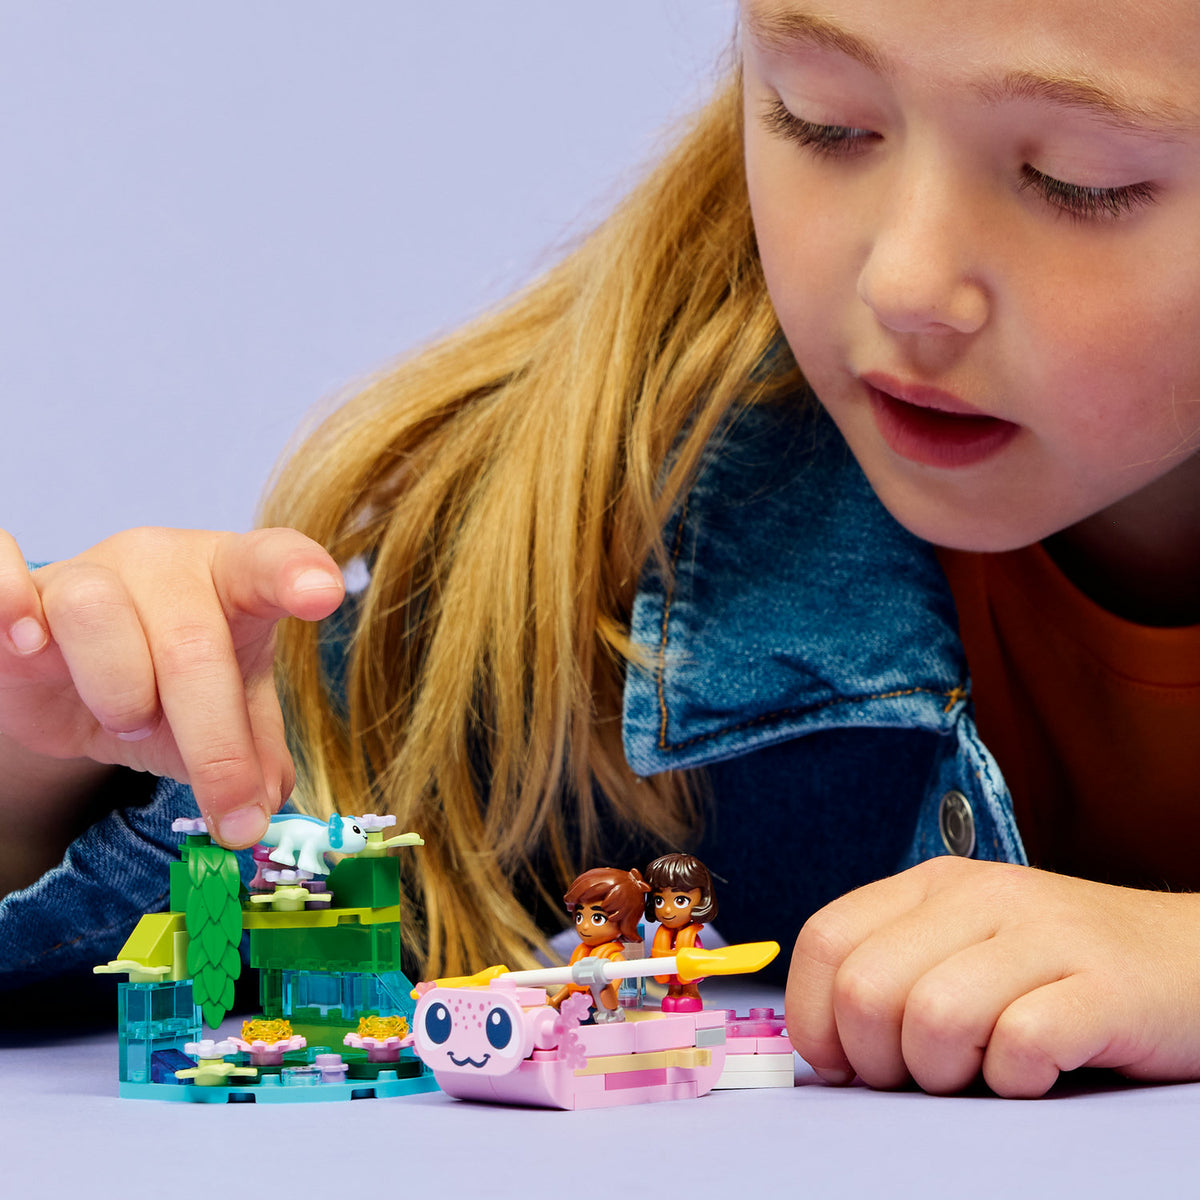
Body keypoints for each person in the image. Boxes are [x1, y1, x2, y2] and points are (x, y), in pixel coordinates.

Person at [3, 0, 1200, 1097]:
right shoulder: (624, 543)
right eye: (821, 119)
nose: (906, 282)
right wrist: (49, 758)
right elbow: (246, 876)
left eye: (1078, 181)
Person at [546, 867, 649, 1017]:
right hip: (578, 1008)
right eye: (580, 916)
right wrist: (556, 1000)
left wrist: (607, 995)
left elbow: (615, 982)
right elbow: (571, 983)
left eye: (597, 918)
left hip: (601, 1008)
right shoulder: (582, 953)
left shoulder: (614, 958)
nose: (585, 926)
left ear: (624, 922)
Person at [643, 853, 718, 1013]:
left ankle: (691, 994)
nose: (667, 910)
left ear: (702, 899)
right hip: (670, 974)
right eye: (659, 900)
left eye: (680, 901)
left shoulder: (691, 936)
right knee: (672, 990)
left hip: (688, 972)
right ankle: (673, 994)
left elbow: (698, 955)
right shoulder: (664, 934)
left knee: (689, 985)